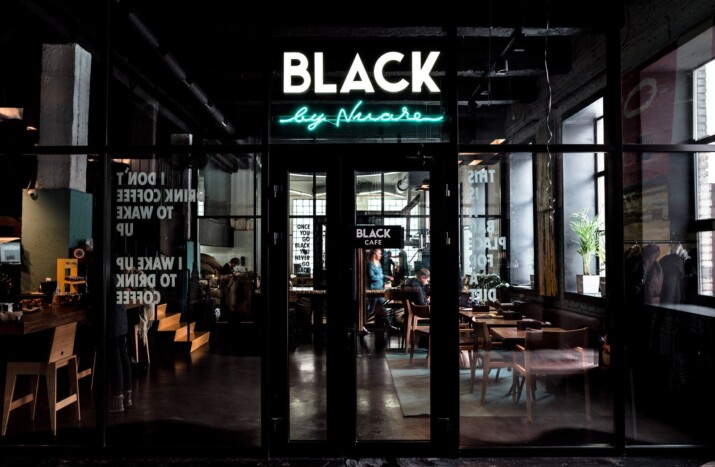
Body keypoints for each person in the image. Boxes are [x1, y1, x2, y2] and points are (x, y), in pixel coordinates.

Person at [108, 271, 133, 413]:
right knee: (123, 355)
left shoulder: (106, 275)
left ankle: (117, 400)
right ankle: (127, 397)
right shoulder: (117, 275)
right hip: (121, 319)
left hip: (112, 320)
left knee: (115, 357)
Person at [365, 249, 394, 335]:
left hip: (380, 289)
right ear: (375, 254)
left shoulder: (378, 263)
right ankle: (361, 325)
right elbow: (372, 277)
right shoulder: (370, 264)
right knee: (371, 309)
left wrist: (387, 277)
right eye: (379, 253)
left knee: (383, 307)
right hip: (374, 290)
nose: (381, 255)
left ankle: (389, 325)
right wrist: (381, 276)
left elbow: (380, 275)